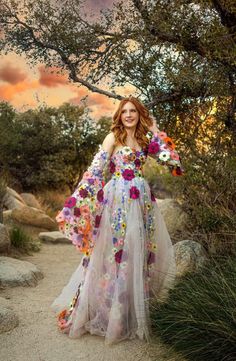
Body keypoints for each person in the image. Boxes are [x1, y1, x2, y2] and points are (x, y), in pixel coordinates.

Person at [50, 96, 184, 345]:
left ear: (140, 114)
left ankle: (128, 312)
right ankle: (108, 312)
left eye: (133, 111)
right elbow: (95, 172)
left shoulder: (146, 140)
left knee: (137, 253)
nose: (129, 115)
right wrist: (75, 204)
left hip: (141, 201)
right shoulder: (113, 138)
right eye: (125, 112)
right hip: (117, 200)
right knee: (115, 253)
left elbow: (174, 163)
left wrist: (155, 131)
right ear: (120, 116)